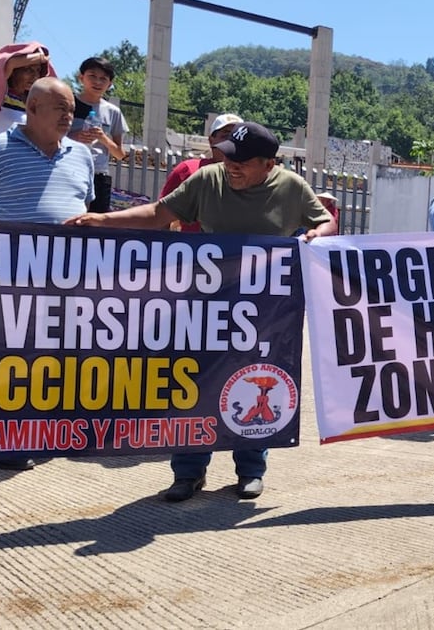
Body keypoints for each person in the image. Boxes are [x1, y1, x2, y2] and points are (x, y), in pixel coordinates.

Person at [67, 122, 337, 501]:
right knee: (193, 384)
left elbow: (326, 220)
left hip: (263, 311)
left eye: (242, 161)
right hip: (204, 305)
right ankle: (188, 473)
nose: (230, 165)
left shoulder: (291, 188)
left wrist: (317, 234)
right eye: (227, 155)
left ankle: (250, 471)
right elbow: (159, 215)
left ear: (268, 164)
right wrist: (101, 219)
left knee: (255, 380)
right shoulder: (207, 179)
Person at [0, 77, 94, 472]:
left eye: (71, 110)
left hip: (67, 280)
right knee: (9, 361)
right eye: (61, 108)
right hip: (10, 279)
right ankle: (3, 441)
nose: (68, 116)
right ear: (33, 107)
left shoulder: (82, 156)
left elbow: (84, 209)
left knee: (57, 359)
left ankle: (47, 432)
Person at [158, 113, 244, 232]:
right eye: (225, 135)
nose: (231, 142)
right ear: (211, 140)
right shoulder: (188, 169)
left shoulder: (254, 175)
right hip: (193, 248)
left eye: (236, 137)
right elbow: (161, 216)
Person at [69, 56, 128, 214]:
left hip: (99, 176)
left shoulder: (113, 112)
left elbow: (120, 154)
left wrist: (103, 138)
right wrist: (73, 136)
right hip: (69, 171)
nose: (98, 82)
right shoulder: (69, 103)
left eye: (103, 79)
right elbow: (50, 135)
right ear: (81, 78)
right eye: (92, 76)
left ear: (110, 84)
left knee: (95, 226)